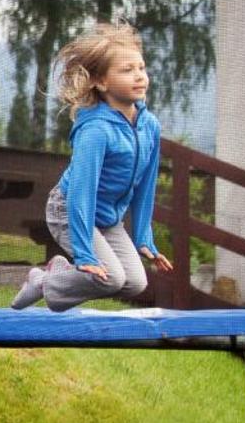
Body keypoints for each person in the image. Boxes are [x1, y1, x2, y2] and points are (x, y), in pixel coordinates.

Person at [11, 21, 173, 312]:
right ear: (100, 82)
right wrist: (85, 255)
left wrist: (143, 236)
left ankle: (52, 279)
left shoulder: (149, 126)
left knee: (136, 283)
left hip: (107, 218)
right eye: (127, 70)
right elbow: (81, 193)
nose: (139, 76)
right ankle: (45, 281)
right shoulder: (96, 130)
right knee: (110, 278)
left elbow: (146, 186)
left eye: (141, 68)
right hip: (69, 209)